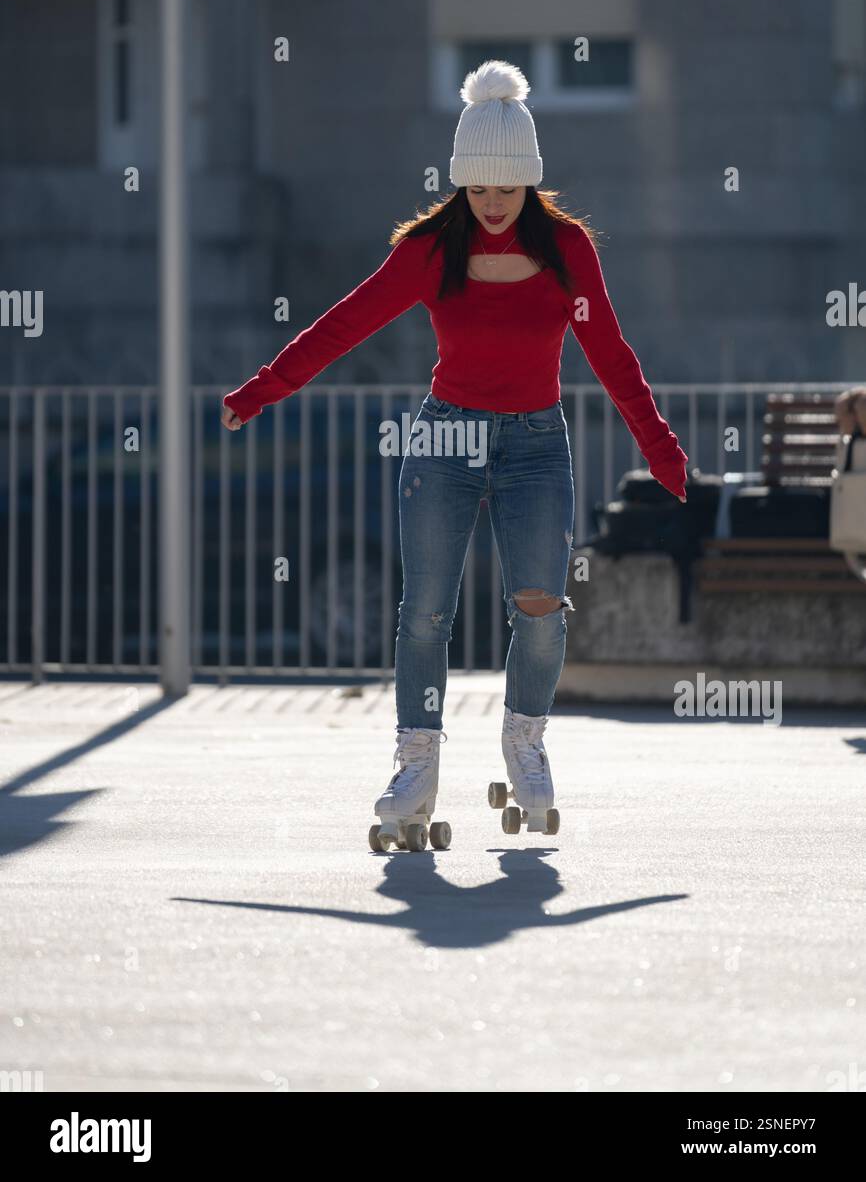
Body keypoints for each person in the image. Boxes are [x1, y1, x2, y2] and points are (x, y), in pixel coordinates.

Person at [222, 59, 688, 850]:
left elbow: (610, 352)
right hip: (444, 437)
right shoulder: (431, 249)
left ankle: (525, 743)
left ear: (531, 183)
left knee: (539, 606)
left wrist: (663, 451)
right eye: (479, 190)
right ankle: (416, 762)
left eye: (507, 190)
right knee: (425, 612)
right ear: (461, 184)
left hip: (536, 443)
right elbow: (345, 324)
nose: (494, 204)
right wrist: (262, 390)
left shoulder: (569, 249)